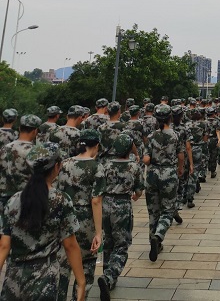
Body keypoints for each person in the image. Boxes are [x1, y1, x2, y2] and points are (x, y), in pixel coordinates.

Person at [0, 143, 85, 301]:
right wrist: (81, 282)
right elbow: (70, 245)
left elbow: (4, 246)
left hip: (13, 279)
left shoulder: (13, 201)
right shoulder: (61, 200)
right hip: (45, 279)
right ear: (57, 167)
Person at [56, 129, 105, 301]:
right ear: (96, 145)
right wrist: (98, 233)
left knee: (63, 265)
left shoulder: (64, 164)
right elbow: (96, 201)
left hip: (63, 218)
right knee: (86, 265)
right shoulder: (97, 167)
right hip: (85, 221)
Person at [98, 133, 143, 300]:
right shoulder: (134, 167)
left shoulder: (105, 165)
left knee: (108, 240)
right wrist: (135, 195)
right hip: (122, 205)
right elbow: (139, 191)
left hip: (105, 205)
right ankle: (109, 276)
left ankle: (107, 274)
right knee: (122, 244)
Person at [143, 105, 183, 262]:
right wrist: (180, 169)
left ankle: (153, 241)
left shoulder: (151, 136)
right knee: (167, 210)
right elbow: (180, 155)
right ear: (170, 118)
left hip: (152, 174)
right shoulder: (175, 135)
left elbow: (146, 159)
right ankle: (158, 235)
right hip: (169, 174)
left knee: (153, 211)